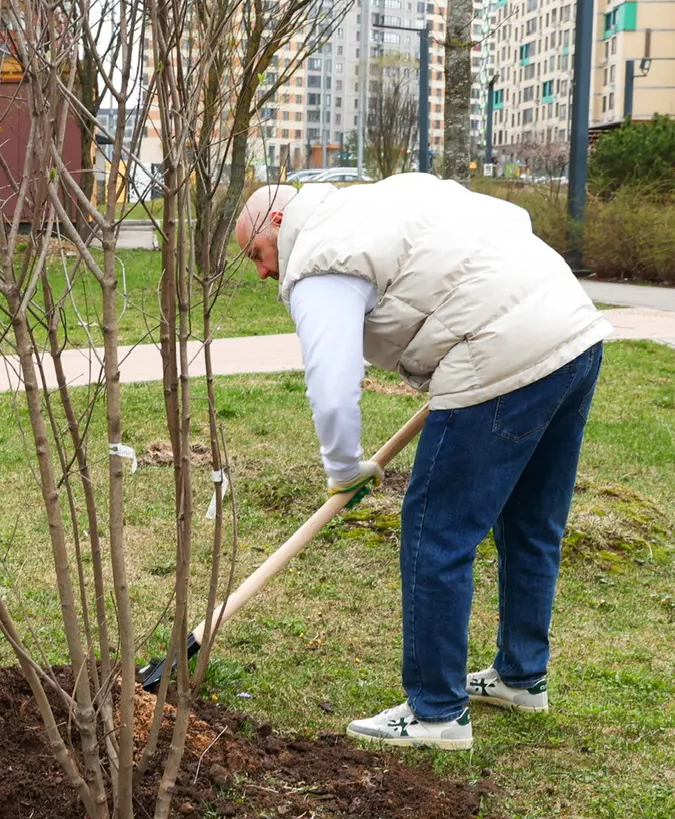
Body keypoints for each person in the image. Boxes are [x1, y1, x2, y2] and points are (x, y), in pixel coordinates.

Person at [235, 174, 613, 751]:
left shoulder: (319, 257)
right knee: (532, 520)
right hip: (574, 331)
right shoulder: (387, 197)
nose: (263, 272)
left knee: (435, 533)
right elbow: (512, 221)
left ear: (280, 223)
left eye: (256, 254)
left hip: (499, 350)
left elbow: (332, 389)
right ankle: (521, 676)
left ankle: (436, 713)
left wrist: (344, 469)